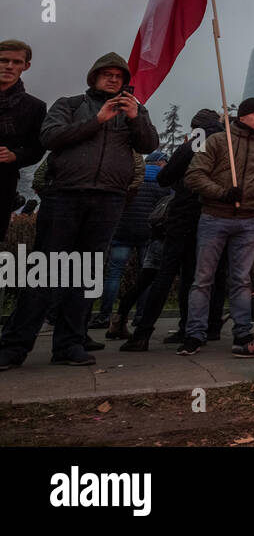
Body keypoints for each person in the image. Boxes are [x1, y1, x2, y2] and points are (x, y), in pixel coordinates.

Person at [0, 53, 158, 370]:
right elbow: (50, 137)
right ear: (94, 77)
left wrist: (136, 117)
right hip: (65, 197)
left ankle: (70, 344)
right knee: (44, 271)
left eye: (119, 76)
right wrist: (96, 120)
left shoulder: (134, 110)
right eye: (106, 74)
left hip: (108, 199)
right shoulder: (69, 104)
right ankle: (14, 346)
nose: (113, 79)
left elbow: (147, 144)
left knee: (84, 275)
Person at [178, 98, 254, 356]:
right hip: (214, 216)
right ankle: (194, 334)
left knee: (241, 280)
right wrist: (222, 193)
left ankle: (242, 334)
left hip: (247, 221)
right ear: (242, 116)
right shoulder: (217, 141)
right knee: (203, 279)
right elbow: (194, 175)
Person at [122, 109, 224, 351]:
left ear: (195, 127)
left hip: (183, 215)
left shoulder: (195, 143)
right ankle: (189, 327)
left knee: (165, 274)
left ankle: (143, 333)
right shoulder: (226, 143)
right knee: (195, 276)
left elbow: (165, 177)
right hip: (211, 215)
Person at [97, 150, 169, 338]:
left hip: (122, 232)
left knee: (114, 274)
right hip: (148, 234)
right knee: (144, 277)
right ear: (160, 163)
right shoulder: (163, 183)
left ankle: (105, 315)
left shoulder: (131, 178)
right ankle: (141, 315)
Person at [0, 39, 46, 244]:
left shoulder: (35, 107)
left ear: (25, 66)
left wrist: (15, 155)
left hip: (3, 181)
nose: (9, 66)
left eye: (16, 62)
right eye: (3, 60)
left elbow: (37, 148)